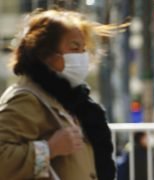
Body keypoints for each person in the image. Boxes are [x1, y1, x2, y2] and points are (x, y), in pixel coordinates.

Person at [0, 9, 124, 179]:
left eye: (83, 49)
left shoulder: (72, 102)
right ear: (45, 54)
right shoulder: (26, 98)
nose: (82, 56)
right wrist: (50, 148)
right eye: (74, 48)